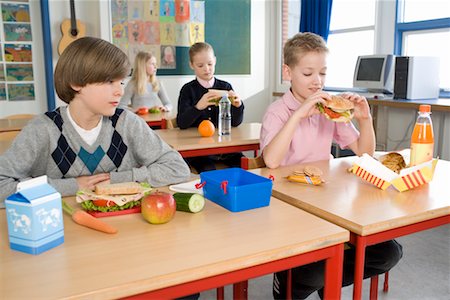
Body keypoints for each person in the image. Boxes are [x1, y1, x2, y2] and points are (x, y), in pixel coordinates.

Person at [260, 32, 403, 299]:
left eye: (323, 74)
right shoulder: (278, 112)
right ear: (288, 72)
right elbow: (271, 160)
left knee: (389, 253)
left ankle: (328, 277)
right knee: (312, 274)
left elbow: (364, 154)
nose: (317, 82)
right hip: (288, 208)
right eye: (308, 73)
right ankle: (291, 278)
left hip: (326, 203)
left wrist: (365, 119)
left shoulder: (329, 110)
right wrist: (300, 114)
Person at [0, 37, 190, 204]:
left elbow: (177, 168)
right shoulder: (42, 129)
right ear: (76, 83)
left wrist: (119, 179)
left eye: (121, 82)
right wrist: (72, 186)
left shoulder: (127, 122)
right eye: (109, 82)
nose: (120, 91)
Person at [177, 42, 245, 173]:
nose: (206, 69)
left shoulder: (225, 87)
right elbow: (182, 123)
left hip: (226, 148)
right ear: (192, 65)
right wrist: (198, 107)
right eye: (200, 65)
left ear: (215, 61)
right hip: (200, 152)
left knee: (242, 167)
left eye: (210, 64)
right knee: (209, 171)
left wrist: (238, 105)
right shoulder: (188, 90)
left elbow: (236, 123)